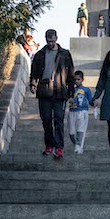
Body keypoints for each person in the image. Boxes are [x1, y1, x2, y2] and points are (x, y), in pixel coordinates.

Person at [29, 29, 76, 159]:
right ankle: (49, 145)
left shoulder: (65, 54)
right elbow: (34, 72)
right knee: (46, 119)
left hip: (60, 92)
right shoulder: (40, 54)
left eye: (52, 40)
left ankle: (59, 147)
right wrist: (33, 83)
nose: (50, 43)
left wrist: (71, 93)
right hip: (44, 91)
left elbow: (71, 74)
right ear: (45, 39)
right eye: (48, 41)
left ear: (56, 38)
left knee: (59, 119)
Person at [68, 71, 93, 154]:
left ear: (82, 79)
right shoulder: (70, 90)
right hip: (72, 111)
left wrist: (94, 103)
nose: (76, 81)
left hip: (82, 111)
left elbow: (90, 100)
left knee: (80, 130)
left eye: (78, 79)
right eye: (75, 79)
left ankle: (79, 147)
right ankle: (76, 144)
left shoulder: (86, 90)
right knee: (71, 133)